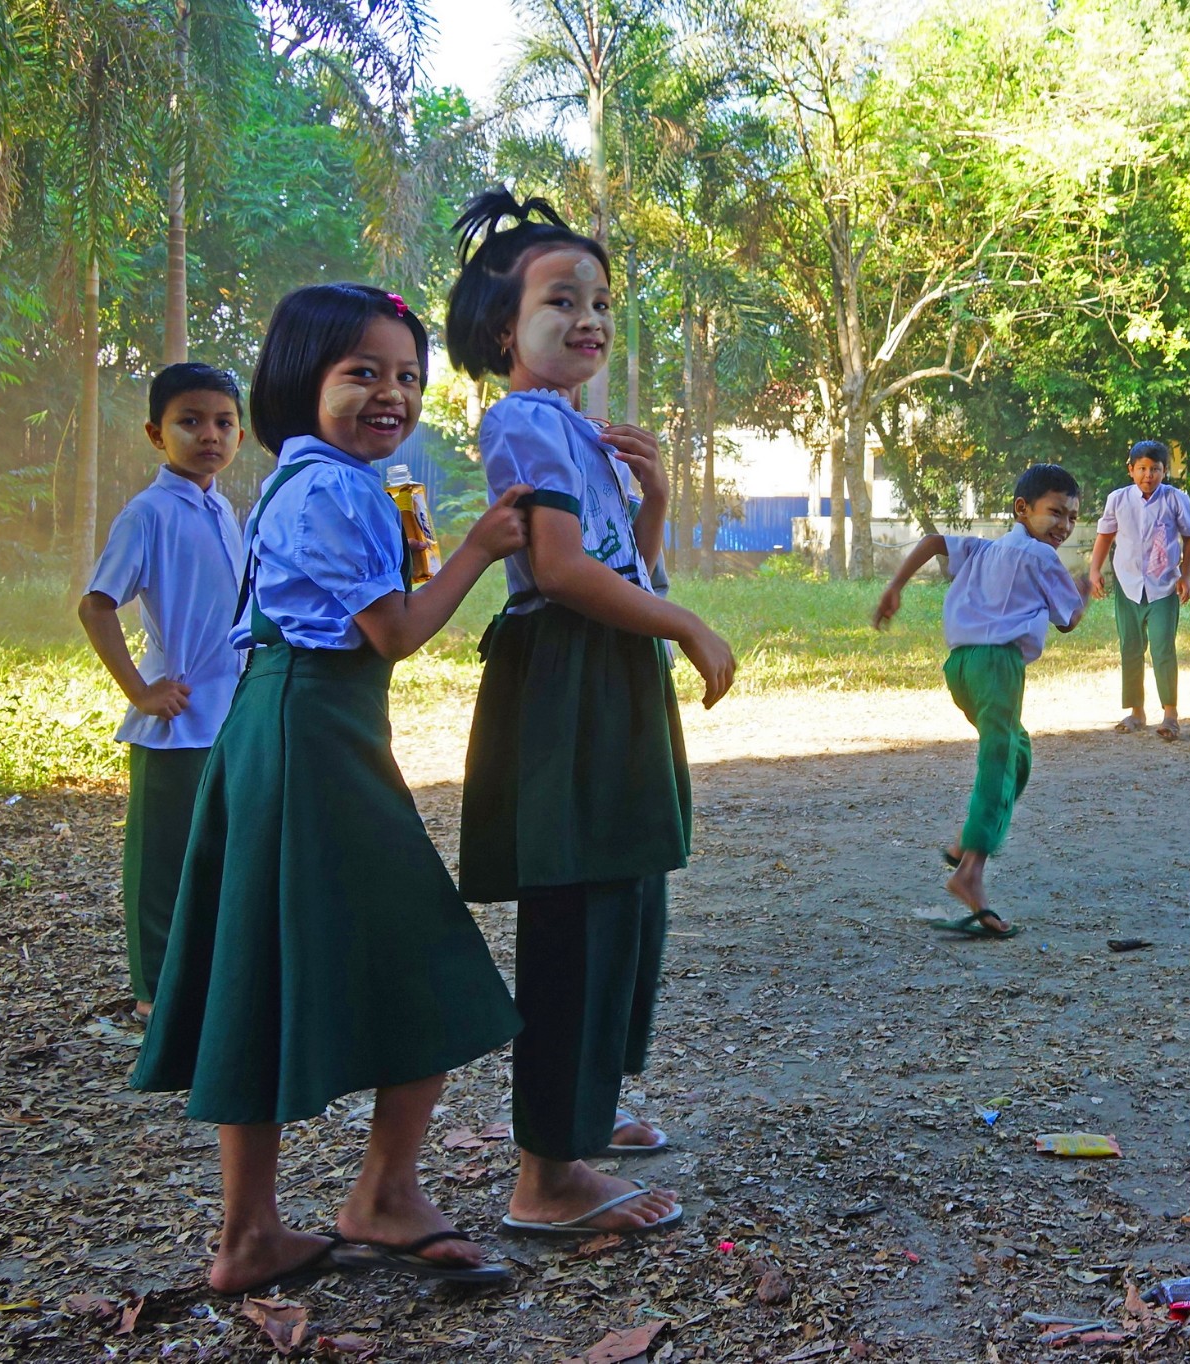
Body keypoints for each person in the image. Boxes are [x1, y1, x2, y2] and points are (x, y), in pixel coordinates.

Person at [131, 284, 532, 1294]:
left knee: (265, 957)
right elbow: (394, 630)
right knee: (430, 953)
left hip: (306, 723)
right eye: (361, 372)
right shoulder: (328, 489)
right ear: (298, 380)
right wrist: (483, 548)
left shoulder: (330, 480)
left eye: (405, 375)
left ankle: (258, 1231)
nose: (388, 393)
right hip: (310, 730)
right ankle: (371, 1197)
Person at [445, 189, 737, 1240]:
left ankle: (582, 1118)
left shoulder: (570, 430)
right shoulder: (522, 421)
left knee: (624, 898)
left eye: (600, 299)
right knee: (578, 909)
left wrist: (651, 502)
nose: (589, 317)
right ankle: (544, 1172)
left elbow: (620, 563)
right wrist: (689, 625)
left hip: (603, 672)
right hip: (570, 675)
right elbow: (562, 571)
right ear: (498, 330)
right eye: (559, 299)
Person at [78, 363, 247, 1022]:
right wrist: (142, 689)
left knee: (220, 854)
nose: (209, 435)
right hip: (175, 719)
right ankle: (154, 998)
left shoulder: (223, 508)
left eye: (224, 422)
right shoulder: (147, 512)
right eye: (190, 421)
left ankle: (205, 984)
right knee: (163, 864)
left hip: (229, 714)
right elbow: (97, 607)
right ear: (156, 433)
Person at [872, 463, 1088, 939]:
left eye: (1072, 517)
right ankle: (969, 873)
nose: (1064, 526)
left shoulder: (983, 549)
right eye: (1055, 512)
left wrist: (895, 586)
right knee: (999, 759)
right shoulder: (1041, 557)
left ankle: (967, 844)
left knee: (1018, 755)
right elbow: (1069, 619)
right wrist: (1086, 592)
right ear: (1022, 509)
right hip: (998, 668)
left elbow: (932, 543)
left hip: (962, 669)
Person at [1088, 439, 1190, 740]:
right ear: (1131, 469)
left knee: (1163, 648)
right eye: (1142, 468)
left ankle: (1170, 715)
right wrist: (1095, 570)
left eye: (1155, 469)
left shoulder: (1175, 500)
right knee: (1130, 649)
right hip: (1128, 585)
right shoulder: (1118, 499)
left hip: (1163, 586)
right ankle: (1136, 712)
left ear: (1165, 472)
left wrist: (1186, 576)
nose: (1148, 475)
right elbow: (1105, 536)